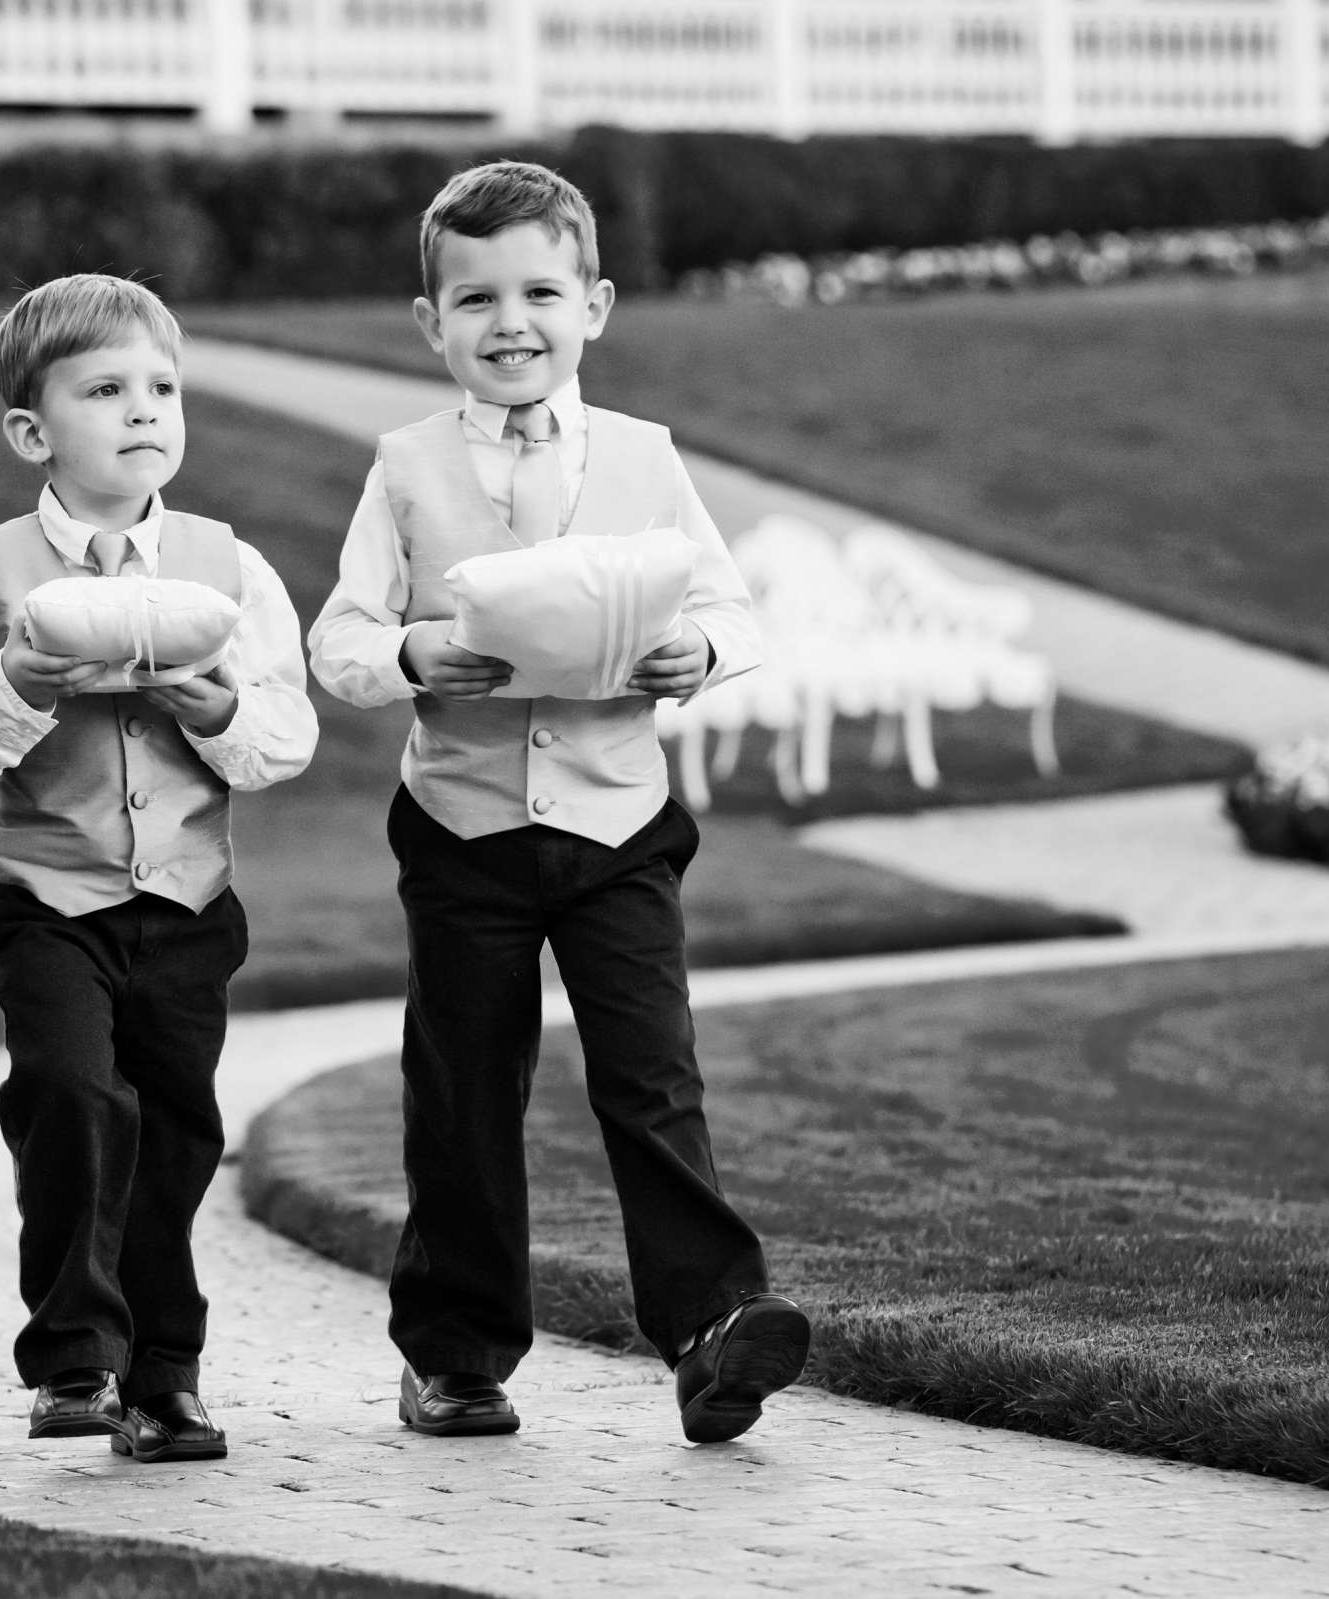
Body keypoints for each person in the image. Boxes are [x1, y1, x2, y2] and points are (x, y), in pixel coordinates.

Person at [307, 161, 811, 1445]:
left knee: (652, 1080)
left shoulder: (647, 458)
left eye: (540, 290)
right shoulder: (406, 467)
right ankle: (453, 1357)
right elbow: (342, 639)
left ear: (595, 304)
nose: (510, 321)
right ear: (432, 326)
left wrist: (696, 657)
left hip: (618, 825)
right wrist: (418, 655)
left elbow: (725, 609)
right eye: (475, 298)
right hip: (464, 830)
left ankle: (710, 1333)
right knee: (464, 1090)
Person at [0, 273, 317, 1463]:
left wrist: (217, 702)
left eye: (163, 387)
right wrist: (24, 683)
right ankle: (76, 1355)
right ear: (33, 430)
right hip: (46, 897)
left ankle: (165, 1378)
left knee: (177, 1133)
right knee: (74, 1101)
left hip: (187, 901)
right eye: (106, 389)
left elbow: (285, 740)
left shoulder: (229, 568)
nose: (144, 411)